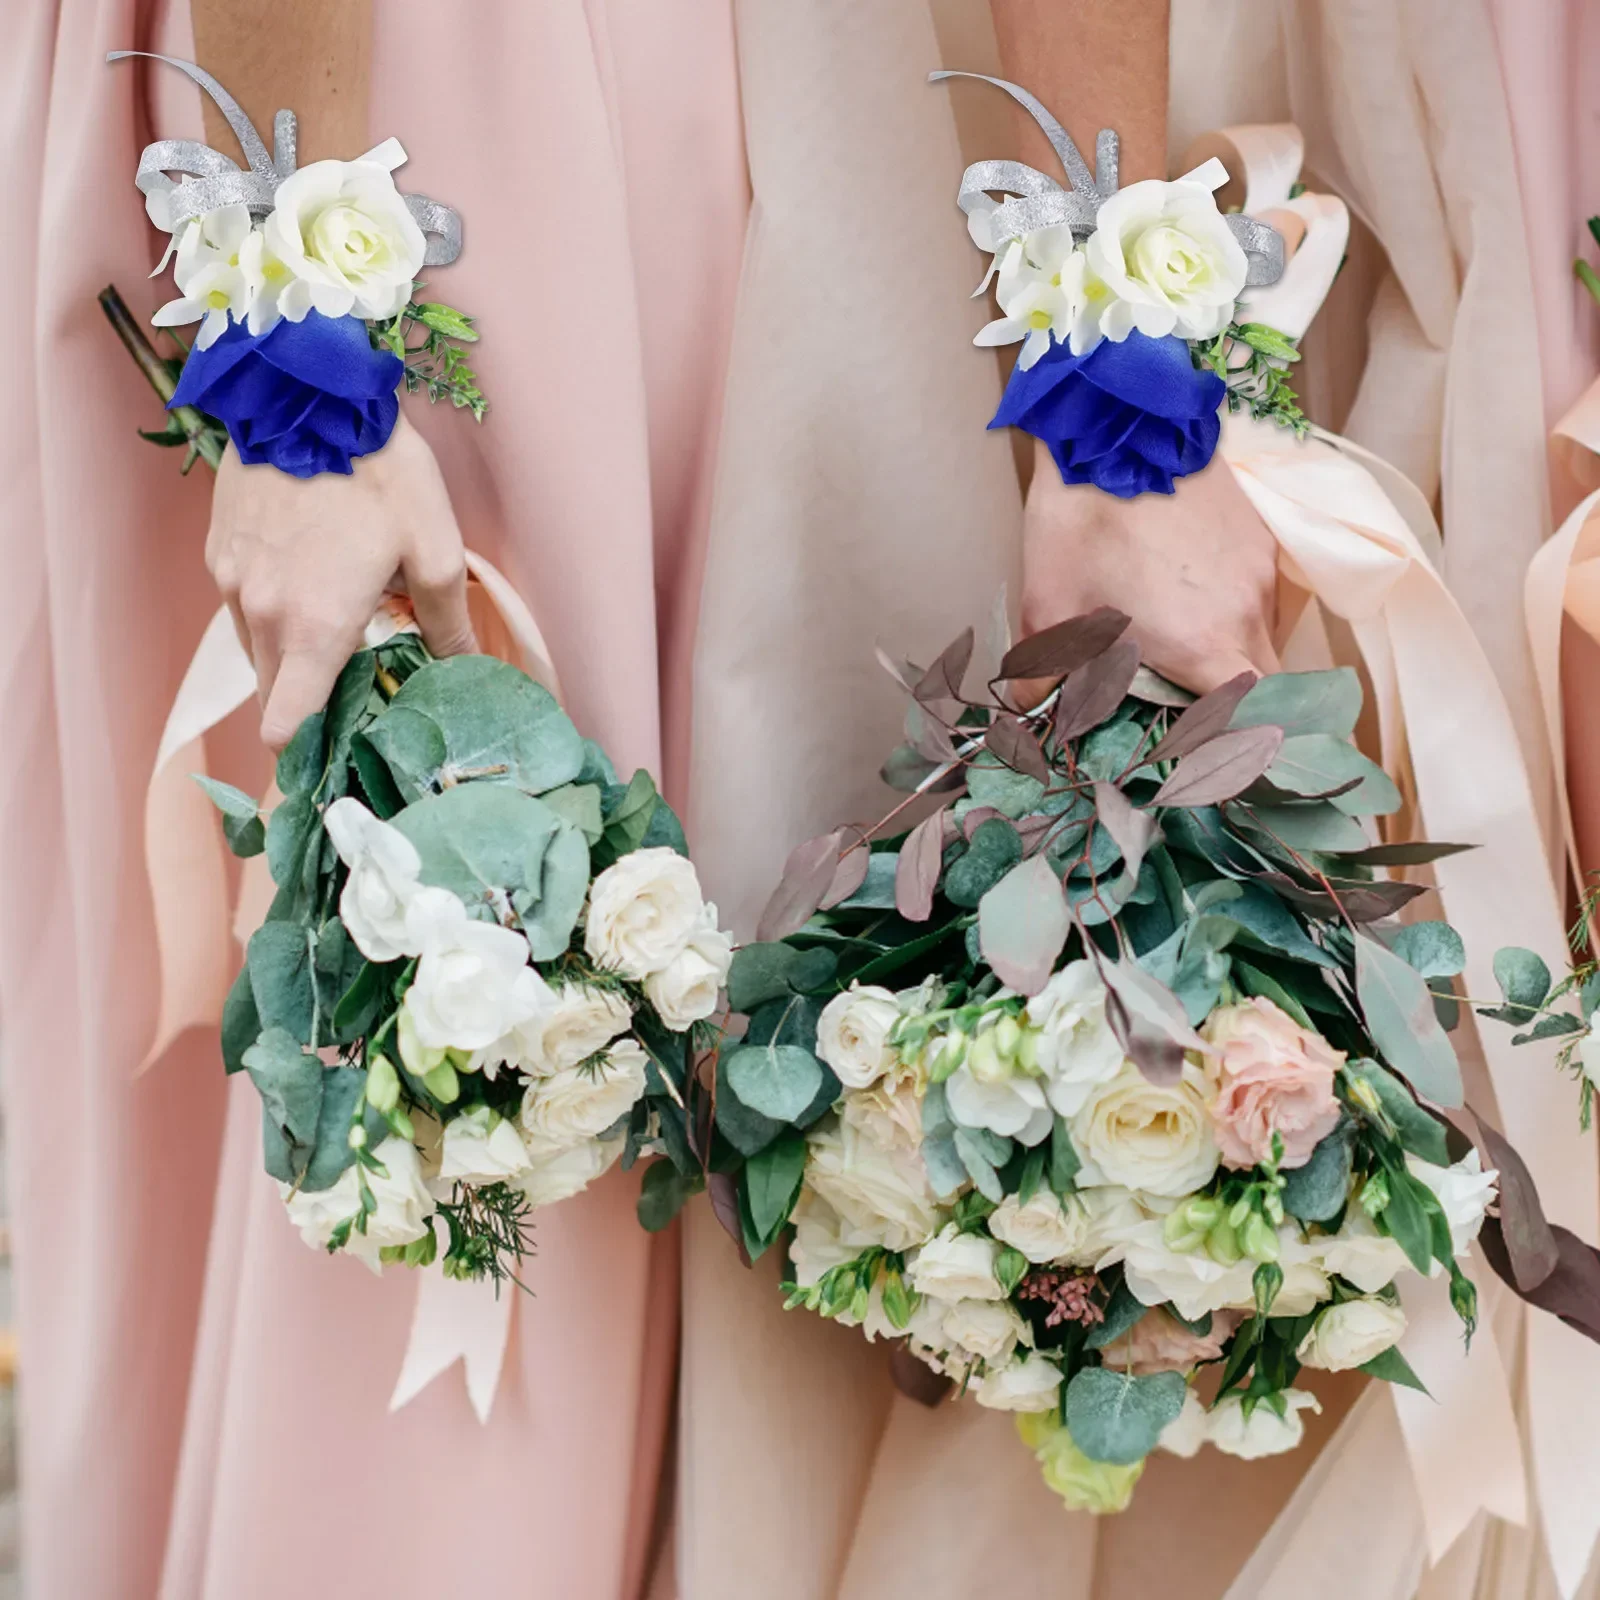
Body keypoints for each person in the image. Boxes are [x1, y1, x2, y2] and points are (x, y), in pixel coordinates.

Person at [0, 0, 1562, 1596]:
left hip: (637, 138)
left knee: (533, 1100)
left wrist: (1111, 374)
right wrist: (294, 308)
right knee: (381, 1117)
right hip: (389, 130)